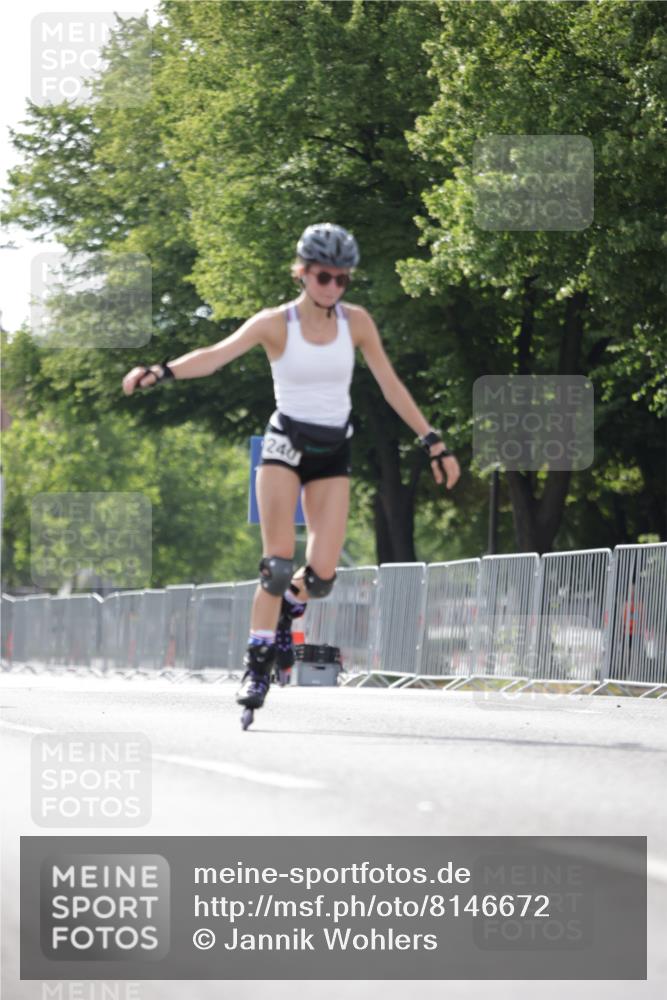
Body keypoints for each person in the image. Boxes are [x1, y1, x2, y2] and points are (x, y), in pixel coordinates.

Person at [122, 223, 460, 722]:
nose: (333, 287)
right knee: (277, 566)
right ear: (302, 273)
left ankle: (285, 612)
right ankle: (257, 664)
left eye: (343, 279)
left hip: (332, 451)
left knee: (321, 577)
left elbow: (390, 386)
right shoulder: (275, 324)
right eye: (325, 276)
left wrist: (434, 441)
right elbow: (216, 357)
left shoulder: (357, 322)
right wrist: (162, 371)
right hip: (285, 446)